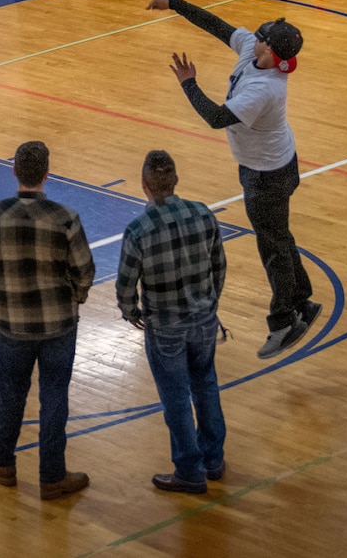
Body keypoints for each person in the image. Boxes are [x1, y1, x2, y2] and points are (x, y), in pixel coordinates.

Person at [146, 0, 320, 357]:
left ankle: (284, 320)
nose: (253, 36)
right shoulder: (253, 53)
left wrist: (188, 83)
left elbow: (216, 118)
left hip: (268, 175)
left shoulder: (264, 88)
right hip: (273, 162)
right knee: (279, 237)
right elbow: (216, 25)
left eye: (261, 36)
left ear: (269, 50)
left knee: (272, 247)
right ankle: (302, 300)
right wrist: (174, 2)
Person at [0, 140, 95, 501]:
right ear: (47, 174)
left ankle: (2, 465)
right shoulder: (65, 217)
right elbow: (85, 271)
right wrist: (74, 299)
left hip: (12, 326)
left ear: (14, 171)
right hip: (59, 326)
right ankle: (52, 478)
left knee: (10, 396)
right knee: (54, 398)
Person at [116, 149, 228, 495]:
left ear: (144, 184)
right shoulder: (203, 214)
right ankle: (213, 460)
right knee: (206, 385)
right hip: (204, 319)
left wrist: (131, 312)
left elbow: (125, 284)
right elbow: (219, 266)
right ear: (176, 179)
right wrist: (209, 303)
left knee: (176, 398)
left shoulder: (138, 230)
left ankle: (189, 471)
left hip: (165, 326)